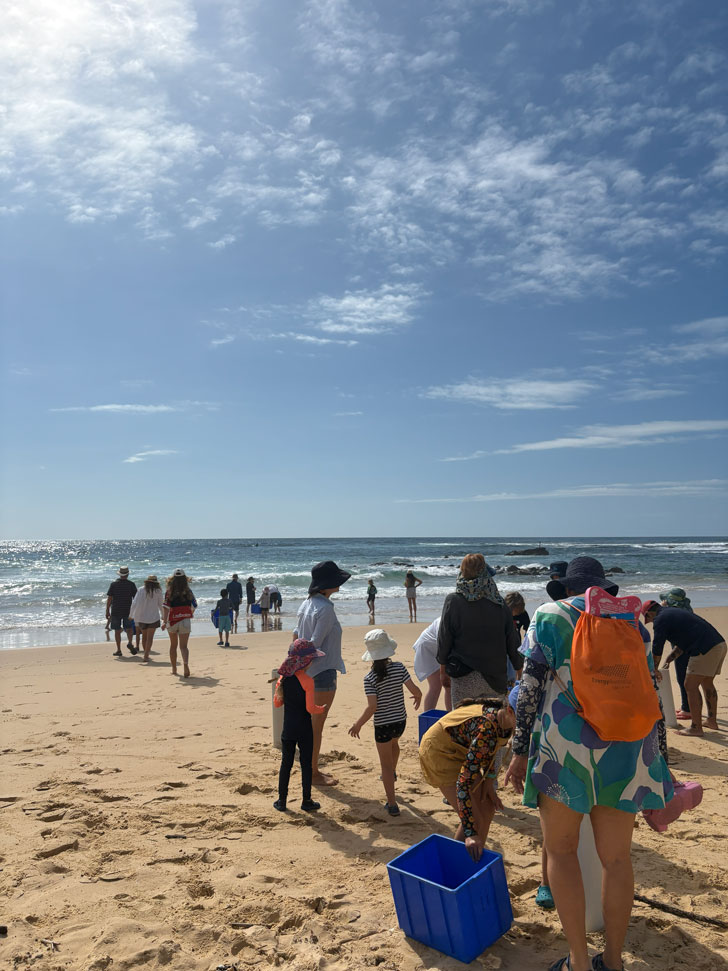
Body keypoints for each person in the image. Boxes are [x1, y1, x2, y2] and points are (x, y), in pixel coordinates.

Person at [505, 556, 673, 971]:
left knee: (561, 852)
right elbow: (650, 692)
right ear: (603, 588)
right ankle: (613, 961)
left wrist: (519, 749)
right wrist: (661, 758)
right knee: (617, 859)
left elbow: (528, 691)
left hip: (565, 748)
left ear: (564, 586)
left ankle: (578, 962)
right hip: (626, 747)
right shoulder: (635, 623)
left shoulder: (547, 615)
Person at [419, 690, 518, 860]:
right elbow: (463, 783)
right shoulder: (486, 729)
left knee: (487, 807)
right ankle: (458, 863)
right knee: (474, 819)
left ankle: (473, 858)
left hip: (460, 751)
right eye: (525, 720)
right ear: (509, 711)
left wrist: (489, 784)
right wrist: (471, 833)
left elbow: (490, 751)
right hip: (439, 752)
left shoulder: (504, 721)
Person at [348, 629, 422, 817]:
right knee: (394, 744)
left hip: (383, 725)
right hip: (400, 722)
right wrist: (418, 697)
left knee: (385, 766)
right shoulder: (399, 668)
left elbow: (372, 707)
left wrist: (358, 724)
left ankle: (392, 804)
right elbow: (416, 690)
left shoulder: (369, 678)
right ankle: (393, 773)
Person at [293, 560, 351, 786]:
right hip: (321, 672)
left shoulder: (307, 603)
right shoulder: (325, 608)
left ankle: (310, 768)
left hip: (306, 672)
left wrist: (296, 667)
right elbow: (314, 643)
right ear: (327, 584)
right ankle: (313, 772)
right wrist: (304, 668)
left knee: (309, 725)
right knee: (316, 727)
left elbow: (296, 636)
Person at [437, 554, 522, 707]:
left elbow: (444, 638)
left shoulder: (453, 601)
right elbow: (512, 640)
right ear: (485, 571)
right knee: (493, 725)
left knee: (462, 724)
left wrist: (442, 670)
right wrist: (519, 669)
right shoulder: (499, 603)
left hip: (463, 675)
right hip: (495, 677)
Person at [643, 601, 726, 738]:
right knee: (707, 683)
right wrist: (670, 659)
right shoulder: (673, 613)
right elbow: (684, 641)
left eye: (649, 619)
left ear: (649, 613)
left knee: (690, 686)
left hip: (704, 649)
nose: (651, 622)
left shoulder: (660, 619)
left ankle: (696, 728)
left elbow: (657, 647)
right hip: (718, 645)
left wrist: (654, 668)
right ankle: (711, 721)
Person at [272, 639, 326, 813]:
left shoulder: (283, 679)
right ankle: (306, 800)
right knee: (306, 764)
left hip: (288, 728)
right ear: (307, 661)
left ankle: (281, 801)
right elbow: (310, 708)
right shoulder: (307, 680)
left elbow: (277, 704)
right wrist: (320, 709)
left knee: (286, 764)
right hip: (304, 728)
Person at [659, 587, 694, 720]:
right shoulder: (687, 610)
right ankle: (688, 706)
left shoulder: (672, 613)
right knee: (688, 677)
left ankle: (687, 709)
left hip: (682, 648)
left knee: (682, 677)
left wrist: (662, 608)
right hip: (691, 646)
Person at [161, 569, 197, 678]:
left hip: (172, 620)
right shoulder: (188, 591)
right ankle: (185, 665)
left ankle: (174, 669)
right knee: (184, 647)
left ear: (173, 578)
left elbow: (166, 607)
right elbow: (194, 605)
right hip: (185, 620)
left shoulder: (169, 591)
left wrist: (164, 621)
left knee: (173, 646)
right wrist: (190, 612)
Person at [412, 617, 451, 712]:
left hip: (437, 648)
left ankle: (451, 716)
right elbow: (444, 649)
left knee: (448, 687)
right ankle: (428, 718)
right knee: (437, 686)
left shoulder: (455, 617)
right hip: (426, 648)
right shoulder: (446, 621)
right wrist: (443, 673)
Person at [129, 575, 164, 662]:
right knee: (150, 638)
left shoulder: (141, 589)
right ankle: (146, 655)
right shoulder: (158, 591)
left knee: (144, 637)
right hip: (153, 618)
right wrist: (164, 616)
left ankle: (146, 654)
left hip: (141, 617)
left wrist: (131, 615)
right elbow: (161, 605)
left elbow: (134, 603)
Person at [106, 567, 138, 657]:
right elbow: (135, 599)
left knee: (117, 630)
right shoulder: (131, 584)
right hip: (128, 610)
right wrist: (136, 610)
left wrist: (107, 610)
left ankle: (119, 650)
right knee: (129, 628)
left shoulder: (113, 584)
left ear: (119, 574)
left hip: (116, 610)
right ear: (127, 574)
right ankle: (130, 643)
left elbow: (109, 599)